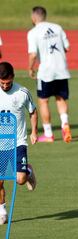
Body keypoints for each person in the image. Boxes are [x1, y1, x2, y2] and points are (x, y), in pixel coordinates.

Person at [0, 62, 38, 225]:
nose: (5, 86)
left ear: (13, 78)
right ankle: (2, 211)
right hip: (1, 144)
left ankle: (28, 171)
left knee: (20, 179)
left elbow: (32, 111)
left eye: (8, 83)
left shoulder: (22, 92)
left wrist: (34, 131)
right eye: (2, 83)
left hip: (18, 142)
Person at [27, 6, 72, 143]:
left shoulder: (33, 32)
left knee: (43, 101)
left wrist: (30, 68)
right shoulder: (57, 27)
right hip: (61, 69)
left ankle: (48, 134)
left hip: (46, 71)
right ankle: (65, 124)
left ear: (34, 17)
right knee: (60, 98)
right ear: (44, 16)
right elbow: (67, 47)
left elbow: (33, 54)